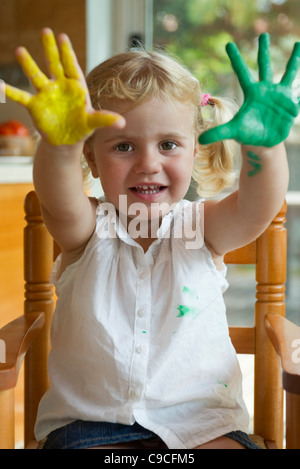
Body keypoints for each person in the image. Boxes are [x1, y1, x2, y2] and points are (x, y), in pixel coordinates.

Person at [4, 28, 299, 449]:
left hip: (202, 426)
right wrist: (58, 146)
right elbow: (58, 196)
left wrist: (264, 151)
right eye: (124, 146)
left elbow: (257, 207)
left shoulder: (204, 227)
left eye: (168, 145)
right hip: (90, 428)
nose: (148, 164)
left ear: (194, 149)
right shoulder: (86, 230)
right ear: (90, 154)